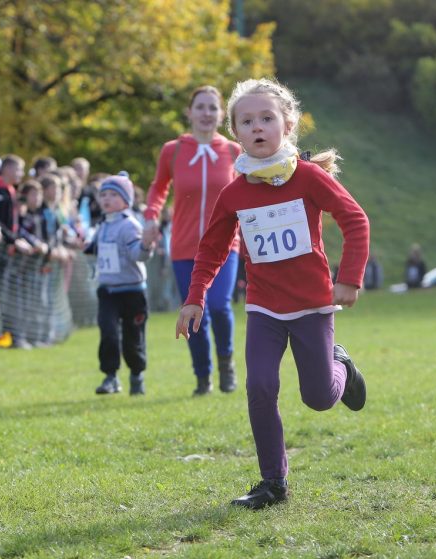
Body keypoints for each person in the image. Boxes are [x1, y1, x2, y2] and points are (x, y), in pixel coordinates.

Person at [175, 78, 369, 510]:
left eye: (267, 118)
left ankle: (341, 364)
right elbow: (210, 248)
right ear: (235, 133)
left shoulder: (310, 178)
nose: (258, 127)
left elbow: (355, 220)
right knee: (260, 387)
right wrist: (195, 298)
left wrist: (349, 278)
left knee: (318, 398)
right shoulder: (234, 192)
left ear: (287, 125)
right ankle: (273, 483)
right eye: (247, 121)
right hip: (264, 307)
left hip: (313, 305)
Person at [144, 85, 243, 395]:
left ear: (221, 114)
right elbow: (158, 188)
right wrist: (150, 218)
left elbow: (247, 192)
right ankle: (203, 376)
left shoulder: (232, 152)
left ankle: (226, 363)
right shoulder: (172, 150)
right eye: (200, 107)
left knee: (218, 304)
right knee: (193, 310)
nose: (206, 113)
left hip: (226, 244)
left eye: (212, 108)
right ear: (189, 112)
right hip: (185, 246)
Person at [83, 172, 155, 395]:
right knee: (108, 333)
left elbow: (138, 255)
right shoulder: (103, 224)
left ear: (126, 199)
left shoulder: (129, 225)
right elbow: (95, 250)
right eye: (103, 194)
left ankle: (137, 374)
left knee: (133, 339)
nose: (106, 199)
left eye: (113, 194)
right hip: (107, 291)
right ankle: (110, 377)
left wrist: (145, 245)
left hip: (132, 292)